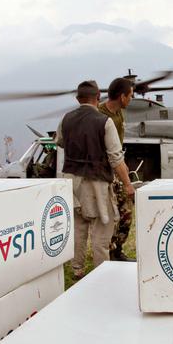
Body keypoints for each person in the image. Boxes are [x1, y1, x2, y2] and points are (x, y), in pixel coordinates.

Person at [56, 80, 135, 279]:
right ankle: (101, 272)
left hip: (72, 181)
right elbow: (116, 158)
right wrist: (127, 184)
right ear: (98, 96)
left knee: (79, 227)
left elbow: (59, 141)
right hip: (97, 182)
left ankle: (78, 269)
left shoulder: (65, 119)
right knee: (102, 228)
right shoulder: (104, 122)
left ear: (77, 98)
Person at [98, 77, 135, 262]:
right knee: (110, 217)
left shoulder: (119, 113)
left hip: (117, 169)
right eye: (130, 96)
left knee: (126, 213)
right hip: (104, 173)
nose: (131, 100)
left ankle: (116, 250)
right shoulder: (100, 115)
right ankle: (108, 252)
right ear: (122, 97)